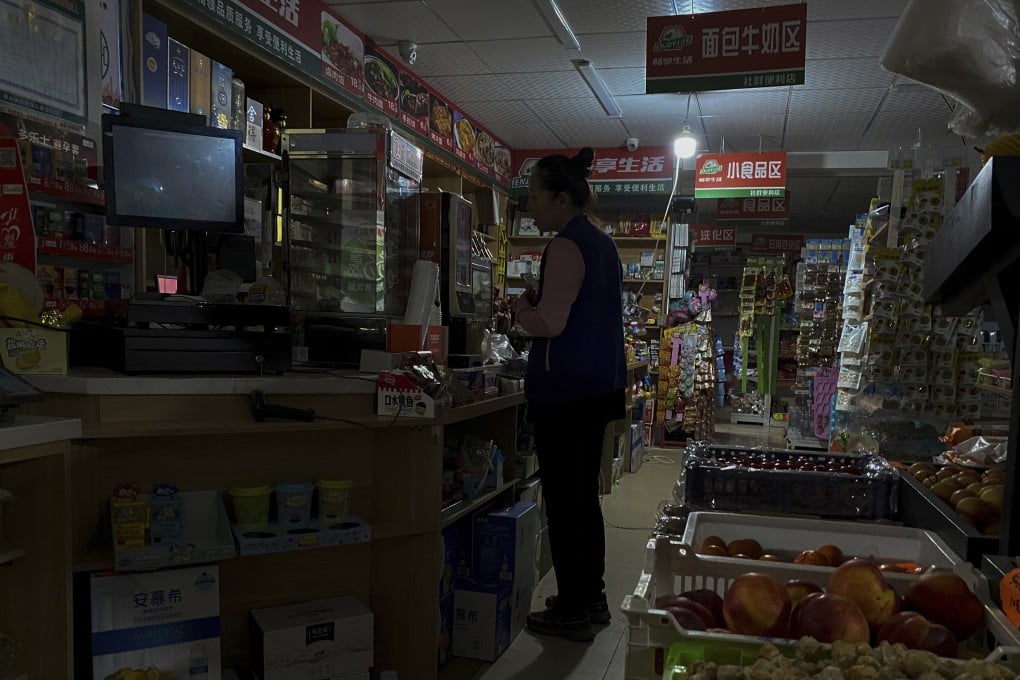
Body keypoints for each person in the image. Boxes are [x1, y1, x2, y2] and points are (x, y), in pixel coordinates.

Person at [514, 147, 627, 642]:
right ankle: (591, 598)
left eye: (536, 196)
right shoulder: (605, 245)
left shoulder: (563, 246)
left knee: (565, 503)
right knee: (584, 499)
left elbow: (551, 322)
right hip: (598, 389)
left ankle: (573, 610)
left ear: (562, 198)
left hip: (565, 394)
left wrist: (520, 311)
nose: (530, 206)